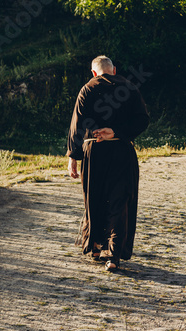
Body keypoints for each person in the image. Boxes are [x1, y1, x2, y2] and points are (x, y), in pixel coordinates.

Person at [67, 55, 150, 271]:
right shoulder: (130, 87)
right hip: (121, 149)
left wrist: (72, 157)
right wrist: (116, 132)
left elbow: (77, 125)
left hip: (94, 150)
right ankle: (113, 256)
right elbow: (143, 120)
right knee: (119, 201)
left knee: (94, 198)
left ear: (94, 73)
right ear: (114, 70)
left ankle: (94, 246)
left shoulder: (87, 88)